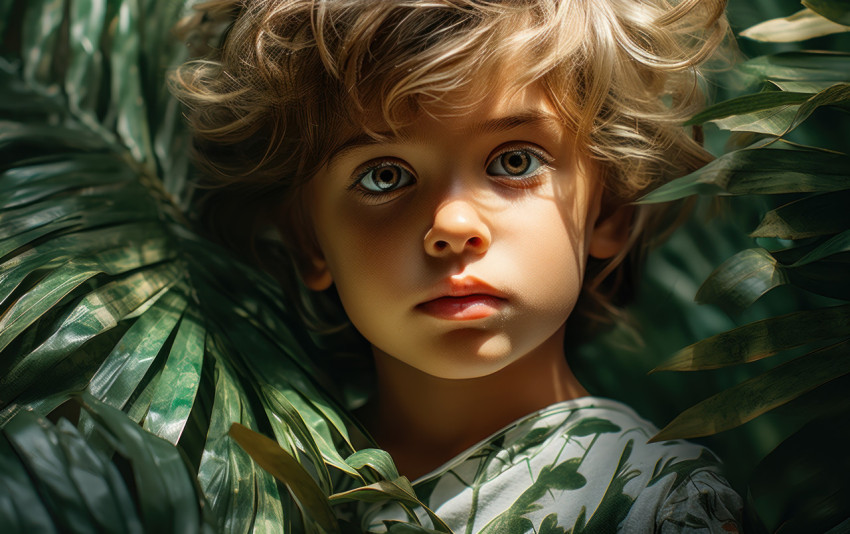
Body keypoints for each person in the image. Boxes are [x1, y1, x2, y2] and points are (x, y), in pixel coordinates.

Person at [173, 0, 743, 531]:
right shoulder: (240, 490)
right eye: (385, 175)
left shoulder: (659, 502)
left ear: (609, 207)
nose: (452, 226)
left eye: (514, 161)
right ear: (310, 241)